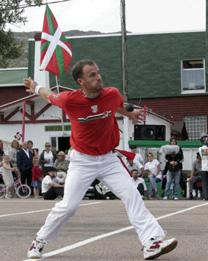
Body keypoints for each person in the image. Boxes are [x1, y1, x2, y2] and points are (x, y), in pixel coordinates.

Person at [23, 59, 177, 260]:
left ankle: (151, 242)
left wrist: (130, 114)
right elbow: (49, 96)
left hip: (109, 159)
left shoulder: (112, 94)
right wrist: (36, 87)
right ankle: (39, 241)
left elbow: (117, 106)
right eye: (92, 75)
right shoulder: (70, 100)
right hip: (82, 161)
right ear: (81, 81)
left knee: (132, 194)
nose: (99, 77)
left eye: (98, 72)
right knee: (68, 207)